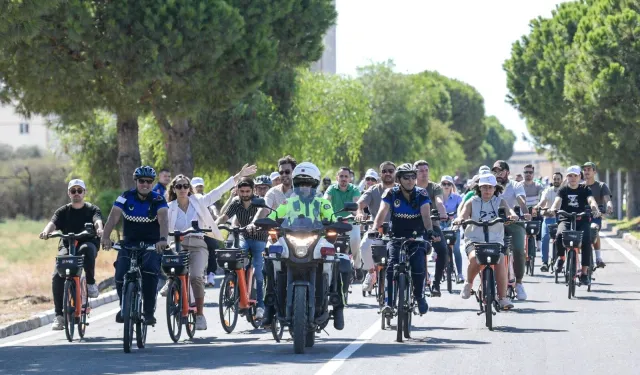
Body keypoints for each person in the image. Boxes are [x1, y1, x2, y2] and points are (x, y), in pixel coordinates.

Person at [160, 165, 255, 329]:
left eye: (185, 186)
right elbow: (160, 224)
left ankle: (200, 315)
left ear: (189, 188)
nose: (182, 189)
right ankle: (171, 281)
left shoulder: (198, 201)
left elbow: (218, 192)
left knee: (196, 276)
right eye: (178, 186)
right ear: (174, 189)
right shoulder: (169, 207)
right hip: (177, 244)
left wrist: (238, 176)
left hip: (198, 244)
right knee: (170, 263)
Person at [265, 162, 345, 329]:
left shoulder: (323, 203)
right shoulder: (289, 203)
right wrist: (266, 222)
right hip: (292, 240)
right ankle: (269, 306)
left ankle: (338, 306)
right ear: (296, 185)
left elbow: (332, 219)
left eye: (308, 184)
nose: (304, 187)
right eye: (301, 184)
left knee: (339, 261)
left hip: (315, 240)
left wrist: (336, 225)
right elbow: (275, 216)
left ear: (314, 184)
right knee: (270, 258)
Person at [101, 166, 169, 326]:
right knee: (119, 275)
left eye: (148, 182)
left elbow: (164, 220)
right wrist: (105, 237)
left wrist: (163, 239)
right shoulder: (125, 197)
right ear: (136, 181)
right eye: (141, 181)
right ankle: (124, 306)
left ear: (152, 183)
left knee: (150, 273)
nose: (145, 184)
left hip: (152, 245)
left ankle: (148, 312)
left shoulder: (158, 199)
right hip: (129, 243)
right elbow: (113, 217)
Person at [39, 179, 104, 330]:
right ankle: (59, 316)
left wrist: (99, 229)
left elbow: (97, 221)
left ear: (84, 193)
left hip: (87, 241)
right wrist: (46, 232)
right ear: (69, 193)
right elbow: (52, 223)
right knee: (57, 275)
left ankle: (90, 283)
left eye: (79, 191)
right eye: (73, 191)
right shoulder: (63, 211)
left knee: (86, 250)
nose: (76, 194)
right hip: (67, 244)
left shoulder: (92, 209)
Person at [373, 163, 437, 315]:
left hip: (417, 238)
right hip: (395, 237)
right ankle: (388, 303)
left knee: (418, 265)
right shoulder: (391, 193)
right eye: (406, 177)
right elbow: (382, 213)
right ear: (399, 179)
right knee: (390, 266)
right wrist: (375, 228)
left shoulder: (421, 193)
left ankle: (420, 297)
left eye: (413, 177)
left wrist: (429, 231)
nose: (410, 180)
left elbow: (426, 216)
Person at [453, 174, 516, 310]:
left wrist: (512, 215)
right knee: (475, 258)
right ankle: (468, 283)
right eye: (484, 187)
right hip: (474, 240)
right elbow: (463, 214)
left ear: (495, 188)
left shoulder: (500, 201)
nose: (487, 190)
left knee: (499, 260)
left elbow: (509, 210)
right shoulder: (472, 202)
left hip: (494, 240)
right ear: (479, 188)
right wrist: (460, 219)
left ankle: (503, 298)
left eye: (490, 187)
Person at [216, 177, 268, 319]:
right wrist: (213, 225)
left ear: (253, 190)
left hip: (259, 239)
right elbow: (225, 217)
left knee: (258, 270)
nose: (244, 194)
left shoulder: (260, 202)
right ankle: (236, 287)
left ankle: (261, 306)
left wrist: (256, 225)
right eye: (242, 191)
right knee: (234, 257)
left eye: (247, 191)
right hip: (243, 237)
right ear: (238, 191)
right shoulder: (236, 203)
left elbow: (264, 214)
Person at [548, 166, 601, 284]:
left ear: (580, 177)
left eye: (575, 176)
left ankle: (584, 272)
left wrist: (595, 208)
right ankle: (561, 258)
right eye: (570, 176)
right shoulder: (563, 189)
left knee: (587, 242)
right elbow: (557, 201)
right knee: (559, 235)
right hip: (565, 219)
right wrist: (553, 208)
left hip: (582, 220)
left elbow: (591, 200)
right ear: (567, 177)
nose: (572, 178)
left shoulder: (585, 189)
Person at [492, 160, 531, 300]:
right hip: (494, 223)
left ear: (507, 172)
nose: (498, 174)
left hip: (514, 221)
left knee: (520, 250)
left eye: (500, 171)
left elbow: (521, 199)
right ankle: (489, 284)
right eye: (495, 171)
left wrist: (525, 211)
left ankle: (519, 282)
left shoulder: (516, 185)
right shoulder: (490, 186)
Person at [356, 161, 396, 292]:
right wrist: (359, 212)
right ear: (380, 174)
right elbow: (360, 203)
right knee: (364, 246)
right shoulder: (373, 190)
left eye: (391, 171)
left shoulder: (401, 190)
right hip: (376, 230)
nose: (388, 173)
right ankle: (371, 272)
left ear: (395, 173)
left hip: (397, 231)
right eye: (384, 171)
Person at [414, 160, 448, 297]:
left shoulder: (434, 187)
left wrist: (443, 212)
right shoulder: (410, 187)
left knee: (443, 250)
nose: (424, 173)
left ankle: (436, 284)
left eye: (426, 170)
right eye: (421, 171)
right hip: (414, 225)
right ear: (415, 173)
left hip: (432, 224)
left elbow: (439, 201)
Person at [324, 167, 363, 274]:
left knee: (356, 239)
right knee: (323, 242)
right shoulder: (331, 189)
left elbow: (357, 204)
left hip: (350, 222)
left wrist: (358, 214)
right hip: (334, 223)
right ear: (337, 177)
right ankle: (324, 267)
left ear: (350, 178)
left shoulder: (354, 189)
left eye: (346, 176)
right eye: (341, 176)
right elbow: (325, 201)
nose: (343, 179)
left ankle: (357, 266)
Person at [582, 162, 613, 267]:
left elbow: (607, 199)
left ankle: (598, 258)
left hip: (595, 215)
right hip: (581, 215)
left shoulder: (601, 185)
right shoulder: (580, 186)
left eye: (589, 169)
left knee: (593, 229)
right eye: (584, 170)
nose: (586, 172)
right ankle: (573, 261)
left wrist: (609, 205)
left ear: (594, 172)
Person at [533, 172, 563, 271]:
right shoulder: (548, 190)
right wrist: (538, 207)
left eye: (558, 179)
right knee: (545, 238)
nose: (556, 181)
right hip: (548, 218)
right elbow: (542, 202)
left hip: (561, 219)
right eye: (555, 179)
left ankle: (561, 260)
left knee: (562, 239)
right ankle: (544, 262)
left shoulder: (564, 191)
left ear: (561, 180)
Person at [440, 175, 465, 283]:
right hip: (440, 225)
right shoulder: (437, 197)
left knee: (456, 250)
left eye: (448, 184)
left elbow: (461, 211)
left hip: (453, 225)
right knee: (440, 249)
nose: (446, 186)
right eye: (444, 184)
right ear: (440, 185)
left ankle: (459, 274)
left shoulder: (457, 198)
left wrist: (457, 218)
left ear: (452, 185)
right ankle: (440, 272)